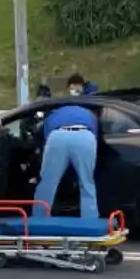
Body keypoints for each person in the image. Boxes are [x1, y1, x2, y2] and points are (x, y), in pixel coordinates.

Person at [33, 74, 100, 219]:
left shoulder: (58, 106)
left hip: (58, 135)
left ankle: (38, 221)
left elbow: (43, 135)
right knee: (87, 184)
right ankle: (91, 223)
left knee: (47, 183)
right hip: (85, 135)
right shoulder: (90, 107)